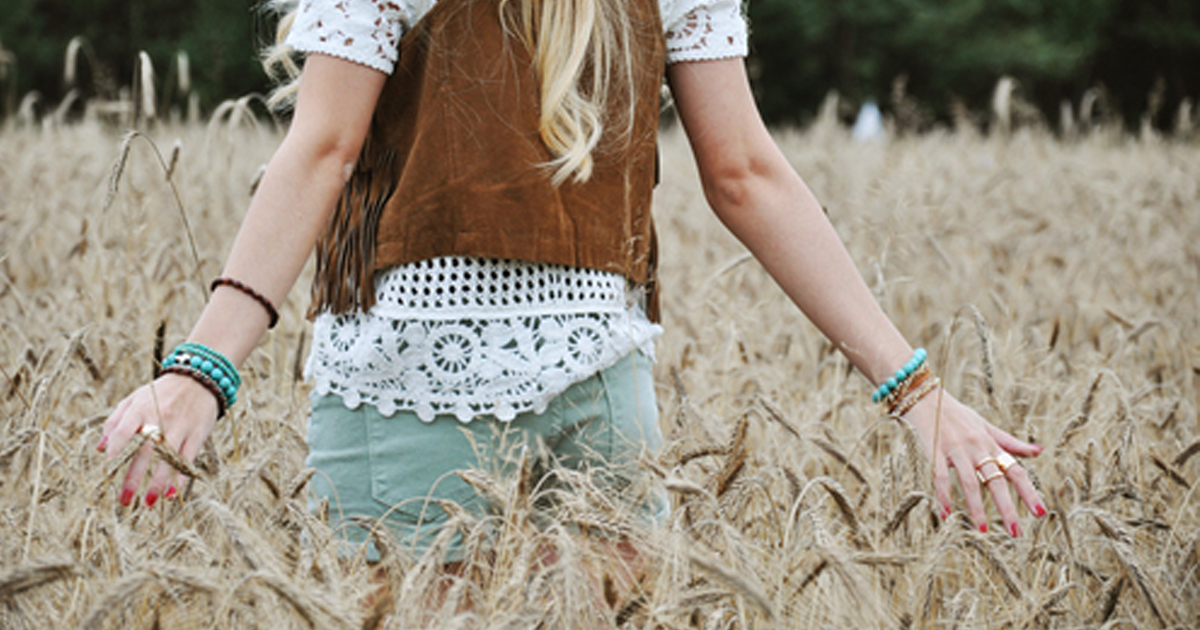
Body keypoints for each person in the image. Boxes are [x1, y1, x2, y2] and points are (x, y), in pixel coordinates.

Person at [100, 0, 1046, 566]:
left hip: (504, 393)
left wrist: (918, 393)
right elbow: (746, 176)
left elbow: (322, 149)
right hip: (502, 392)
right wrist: (203, 368)